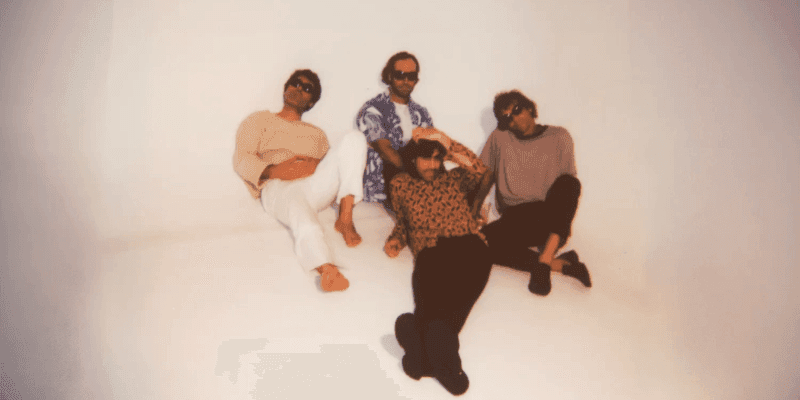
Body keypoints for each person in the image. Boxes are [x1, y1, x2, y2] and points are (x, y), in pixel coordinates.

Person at [233, 69, 368, 292]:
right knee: (298, 206)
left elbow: (333, 169)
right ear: (286, 88)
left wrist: (315, 164)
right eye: (295, 83)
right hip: (277, 185)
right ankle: (326, 269)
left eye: (307, 88)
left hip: (313, 185)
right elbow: (241, 159)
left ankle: (345, 218)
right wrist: (275, 170)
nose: (298, 89)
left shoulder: (317, 135)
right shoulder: (259, 120)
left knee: (355, 138)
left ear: (311, 102)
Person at [385, 130, 491, 395]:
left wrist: (447, 143)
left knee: (458, 303)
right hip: (431, 250)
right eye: (426, 158)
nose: (433, 165)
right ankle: (445, 363)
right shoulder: (400, 184)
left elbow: (480, 170)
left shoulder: (454, 178)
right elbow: (403, 222)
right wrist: (396, 239)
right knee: (431, 305)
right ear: (413, 157)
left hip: (469, 245)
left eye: (437, 158)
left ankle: (420, 353)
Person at [474, 90, 592, 296]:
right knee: (479, 244)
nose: (513, 119)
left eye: (516, 110)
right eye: (506, 118)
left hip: (549, 218)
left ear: (529, 108)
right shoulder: (499, 137)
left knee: (570, 183)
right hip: (516, 218)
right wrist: (474, 208)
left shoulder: (559, 136)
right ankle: (562, 265)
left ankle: (544, 261)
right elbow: (486, 175)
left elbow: (567, 191)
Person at [355, 51, 435, 207]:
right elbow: (385, 150)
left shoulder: (421, 113)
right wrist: (417, 180)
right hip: (382, 190)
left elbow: (431, 152)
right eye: (400, 75)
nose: (405, 81)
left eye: (411, 76)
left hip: (419, 187)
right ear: (390, 76)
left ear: (416, 80)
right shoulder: (373, 109)